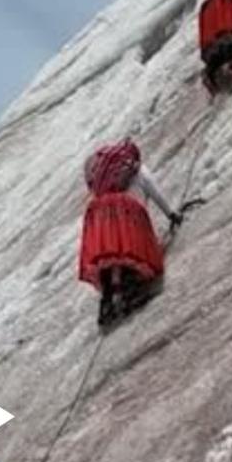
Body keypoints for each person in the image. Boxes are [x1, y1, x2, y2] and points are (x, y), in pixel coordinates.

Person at [78, 139, 183, 327]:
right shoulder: (138, 169)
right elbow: (155, 193)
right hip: (131, 213)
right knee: (129, 252)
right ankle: (128, 292)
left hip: (103, 215)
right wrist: (172, 215)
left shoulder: (106, 178)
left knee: (111, 255)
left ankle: (107, 302)